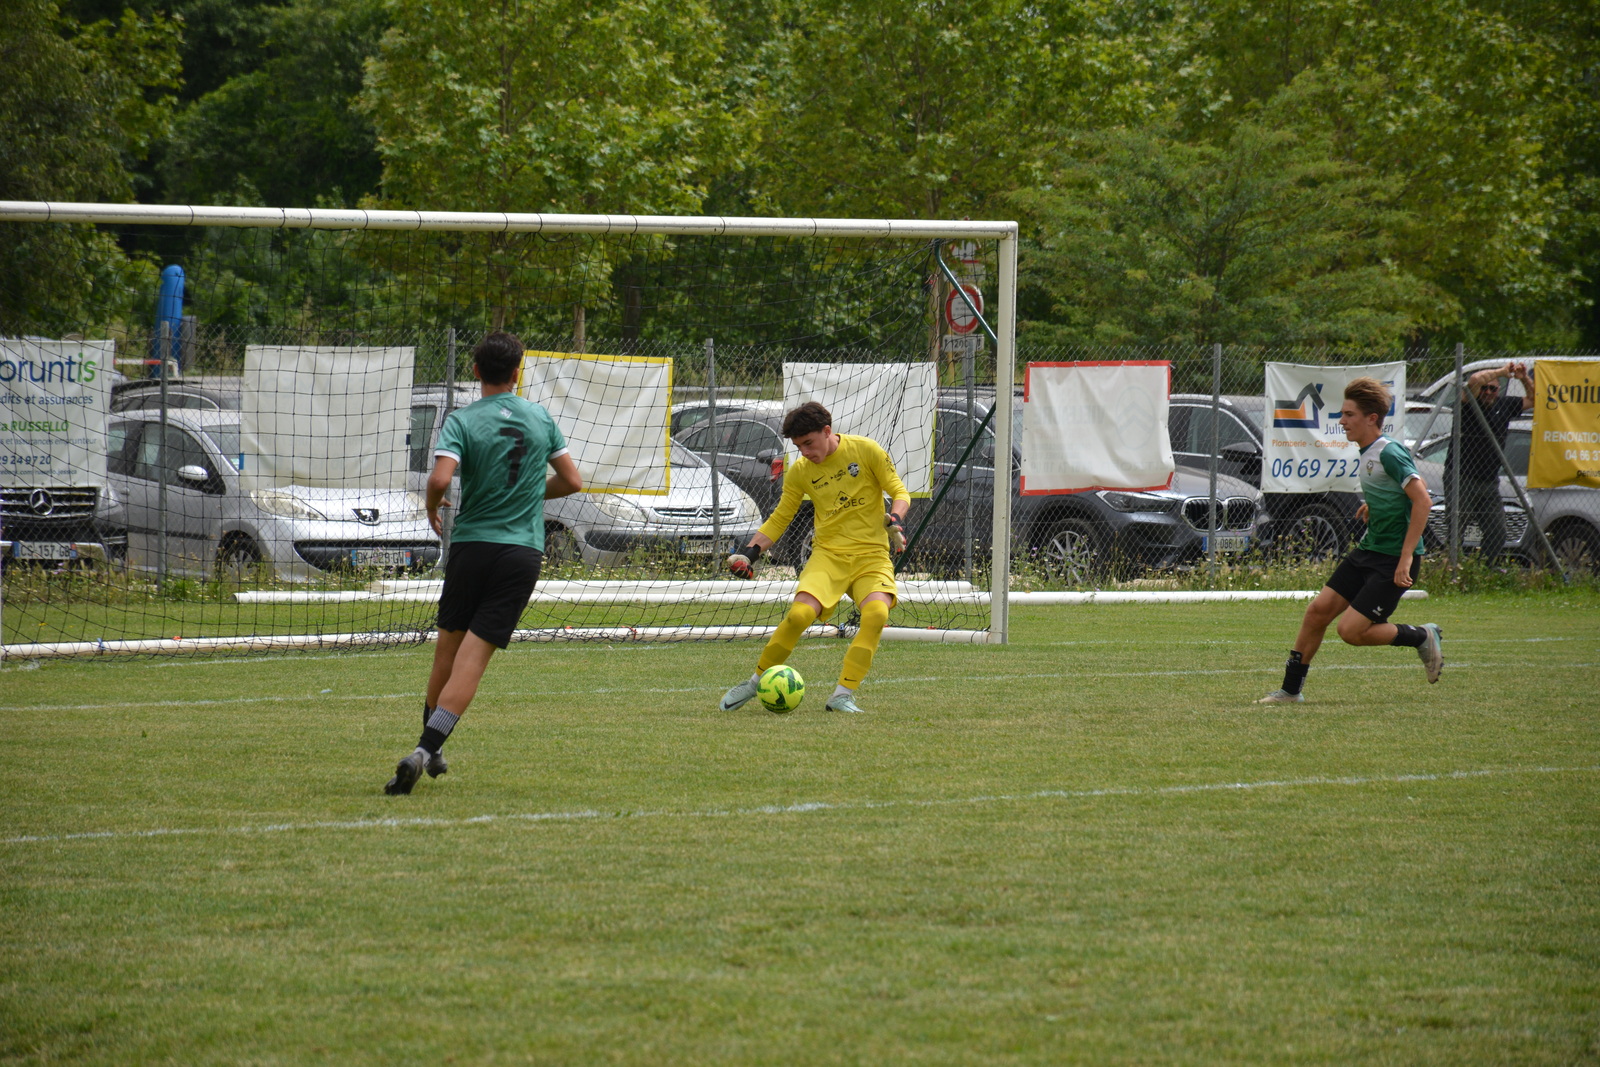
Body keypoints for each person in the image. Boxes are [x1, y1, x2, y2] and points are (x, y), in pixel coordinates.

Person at [384, 331, 583, 794]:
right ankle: (426, 750)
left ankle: (429, 747)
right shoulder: (540, 417)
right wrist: (527, 492)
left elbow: (440, 479)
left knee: (447, 653)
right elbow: (572, 481)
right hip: (521, 553)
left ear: (475, 371)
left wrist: (432, 505)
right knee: (474, 660)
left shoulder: (462, 419)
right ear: (517, 372)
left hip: (472, 547)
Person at [1258, 377, 1443, 703]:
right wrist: (1375, 505)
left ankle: (1421, 636)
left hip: (1393, 559)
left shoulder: (1389, 452)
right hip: (1369, 551)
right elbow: (1396, 490)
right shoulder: (1368, 451)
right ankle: (1290, 691)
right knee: (1317, 612)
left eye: (1348, 414)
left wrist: (1406, 557)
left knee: (1351, 631)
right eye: (1342, 414)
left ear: (1371, 418)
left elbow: (1423, 500)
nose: (1341, 421)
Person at [719, 401, 911, 715]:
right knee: (799, 616)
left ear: (827, 431)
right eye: (799, 447)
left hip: (871, 556)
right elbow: (781, 517)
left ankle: (842, 695)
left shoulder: (866, 451)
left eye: (809, 443)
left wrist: (895, 519)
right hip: (828, 556)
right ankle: (754, 683)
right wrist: (750, 554)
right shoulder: (801, 471)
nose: (805, 452)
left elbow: (900, 492)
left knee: (877, 613)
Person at [1446, 361, 1534, 562]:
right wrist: (1502, 372)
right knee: (1456, 530)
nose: (1487, 392)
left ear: (1499, 390)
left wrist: (1524, 379)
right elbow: (1475, 379)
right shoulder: (1469, 402)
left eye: (1492, 389)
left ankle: (1483, 569)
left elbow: (1534, 399)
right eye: (1484, 388)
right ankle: (1452, 569)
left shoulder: (1505, 404)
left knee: (1497, 531)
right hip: (1462, 478)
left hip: (1489, 481)